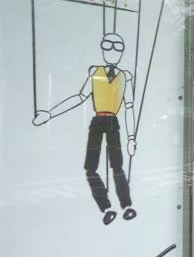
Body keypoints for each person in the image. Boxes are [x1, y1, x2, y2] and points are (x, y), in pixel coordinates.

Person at [33, 32, 138, 225]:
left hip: (112, 121)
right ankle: (106, 208)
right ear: (102, 48)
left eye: (117, 47)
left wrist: (131, 138)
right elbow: (79, 97)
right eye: (108, 45)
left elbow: (129, 107)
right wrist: (50, 114)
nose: (112, 51)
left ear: (122, 51)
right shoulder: (95, 73)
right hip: (98, 121)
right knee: (91, 166)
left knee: (117, 165)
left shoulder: (125, 77)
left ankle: (126, 206)